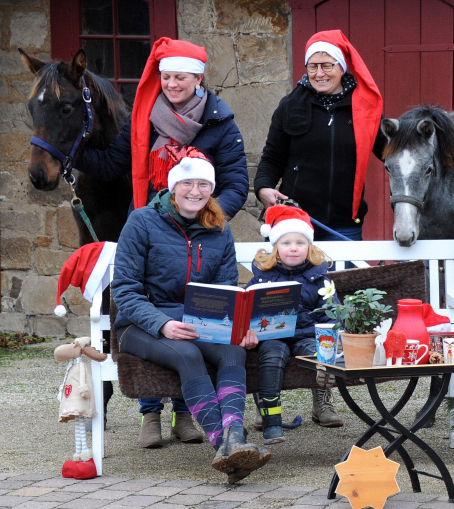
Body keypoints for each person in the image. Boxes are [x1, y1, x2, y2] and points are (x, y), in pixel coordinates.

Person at [76, 37, 249, 447]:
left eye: (180, 77)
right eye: (166, 76)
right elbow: (113, 163)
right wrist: (70, 151)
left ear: (198, 78)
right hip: (157, 229)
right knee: (176, 336)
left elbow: (236, 184)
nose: (171, 84)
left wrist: (202, 215)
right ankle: (160, 418)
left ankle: (228, 435)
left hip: (199, 226)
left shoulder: (220, 123)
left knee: (216, 343)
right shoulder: (145, 119)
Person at [111, 154, 269, 483]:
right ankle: (224, 444)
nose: (195, 191)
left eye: (203, 184)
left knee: (232, 352)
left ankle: (233, 441)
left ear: (211, 189)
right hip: (141, 323)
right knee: (187, 354)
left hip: (199, 319)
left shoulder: (219, 227)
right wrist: (162, 324)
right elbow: (124, 290)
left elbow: (226, 288)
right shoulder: (141, 222)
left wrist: (238, 327)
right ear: (172, 187)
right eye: (187, 183)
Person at [254, 29, 386, 242]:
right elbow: (272, 157)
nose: (319, 73)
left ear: (341, 67)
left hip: (345, 224)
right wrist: (263, 187)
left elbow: (391, 153)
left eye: (327, 66)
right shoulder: (290, 105)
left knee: (342, 277)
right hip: (295, 219)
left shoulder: (364, 108)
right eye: (313, 66)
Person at [242, 205, 344, 445]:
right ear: (276, 248)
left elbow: (332, 314)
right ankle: (271, 420)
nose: (294, 248)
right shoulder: (262, 278)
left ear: (309, 247)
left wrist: (329, 334)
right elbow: (246, 310)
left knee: (319, 353)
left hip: (307, 334)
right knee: (271, 359)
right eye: (286, 243)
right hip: (272, 337)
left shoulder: (319, 278)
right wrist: (249, 329)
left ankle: (323, 392)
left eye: (300, 242)